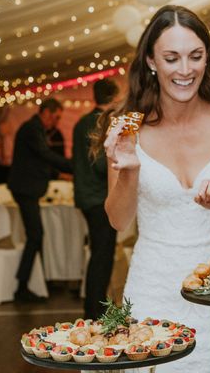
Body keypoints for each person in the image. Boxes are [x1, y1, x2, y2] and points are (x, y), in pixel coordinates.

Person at [98, 5, 210, 371]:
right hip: (153, 286)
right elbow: (119, 221)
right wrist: (129, 171)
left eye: (195, 56)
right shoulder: (126, 127)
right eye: (172, 58)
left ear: (207, 59)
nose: (185, 70)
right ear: (151, 61)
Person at [8, 98, 72, 303]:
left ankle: (34, 282)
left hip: (28, 188)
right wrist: (73, 166)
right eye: (56, 117)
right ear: (46, 112)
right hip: (26, 189)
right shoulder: (32, 129)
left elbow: (37, 160)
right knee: (35, 236)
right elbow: (44, 155)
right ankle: (22, 286)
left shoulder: (33, 129)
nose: (56, 122)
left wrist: (59, 174)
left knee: (36, 236)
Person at [73, 78, 119, 320]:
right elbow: (102, 164)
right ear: (113, 97)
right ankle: (96, 310)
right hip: (100, 197)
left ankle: (95, 307)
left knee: (98, 252)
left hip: (84, 195)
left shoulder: (80, 122)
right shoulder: (104, 122)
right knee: (102, 255)